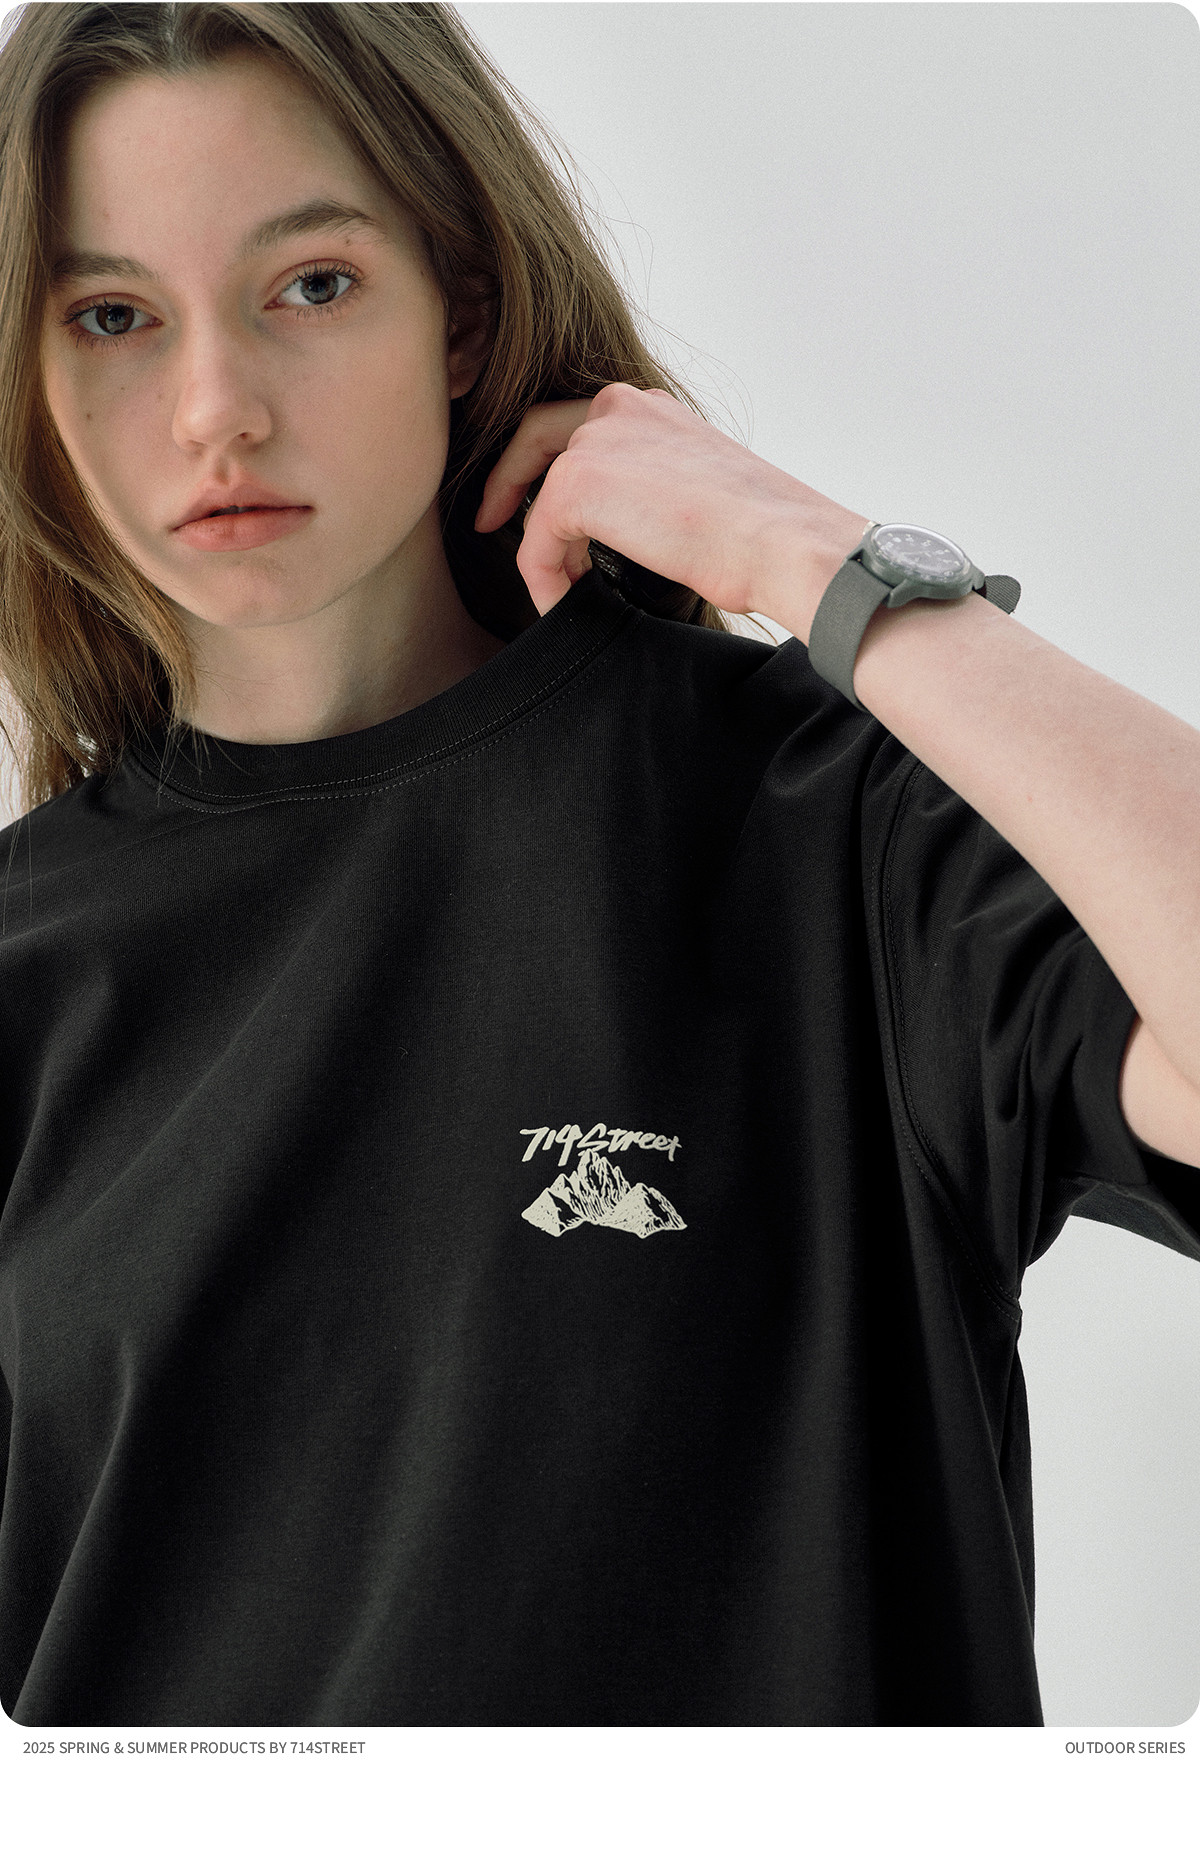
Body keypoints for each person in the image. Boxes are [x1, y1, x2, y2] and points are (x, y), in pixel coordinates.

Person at [0, 0, 1197, 1729]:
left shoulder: (827, 822)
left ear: (464, 316)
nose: (215, 410)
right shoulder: (27, 965)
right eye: (111, 316)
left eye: (313, 285)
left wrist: (822, 566)